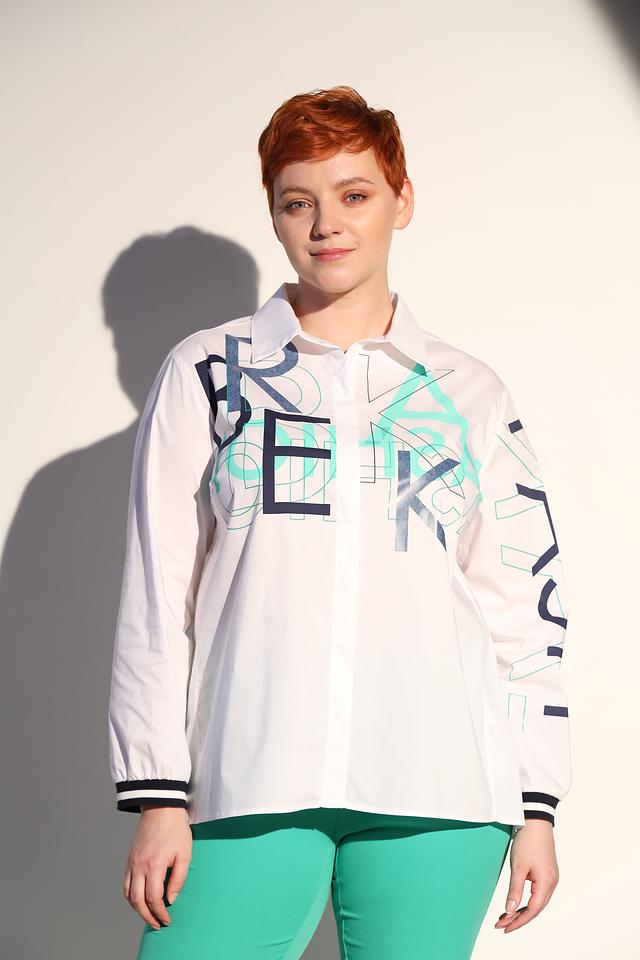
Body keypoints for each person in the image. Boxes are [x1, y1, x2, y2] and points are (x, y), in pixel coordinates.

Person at [108, 85, 572, 959]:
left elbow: (521, 609)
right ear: (274, 215)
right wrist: (159, 792)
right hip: (248, 774)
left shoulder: (470, 393)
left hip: (441, 790)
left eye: (354, 194)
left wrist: (537, 803)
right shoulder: (208, 374)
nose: (327, 223)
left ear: (402, 200)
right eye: (298, 202)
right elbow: (157, 595)